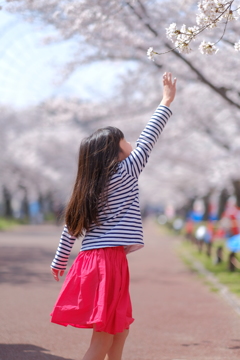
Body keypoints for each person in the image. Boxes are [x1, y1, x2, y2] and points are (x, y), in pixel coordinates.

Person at [50, 72, 177, 360]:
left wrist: (59, 261)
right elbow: (149, 138)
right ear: (115, 151)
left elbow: (71, 227)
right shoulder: (127, 170)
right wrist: (166, 102)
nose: (130, 143)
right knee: (104, 337)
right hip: (107, 262)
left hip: (93, 260)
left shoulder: (89, 185)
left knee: (120, 330)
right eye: (124, 140)